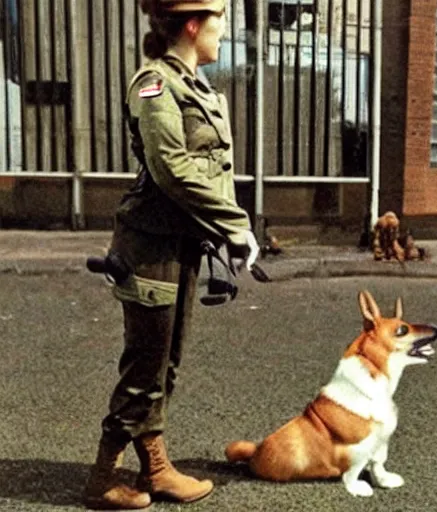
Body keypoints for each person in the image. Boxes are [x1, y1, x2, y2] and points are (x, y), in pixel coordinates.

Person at [83, 0, 259, 509]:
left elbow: (213, 170)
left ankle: (156, 469)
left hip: (179, 246)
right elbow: (172, 168)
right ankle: (102, 477)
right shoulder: (153, 83)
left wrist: (226, 234)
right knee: (146, 367)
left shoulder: (198, 88)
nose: (223, 35)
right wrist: (235, 225)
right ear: (192, 23)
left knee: (166, 365)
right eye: (220, 23)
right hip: (147, 248)